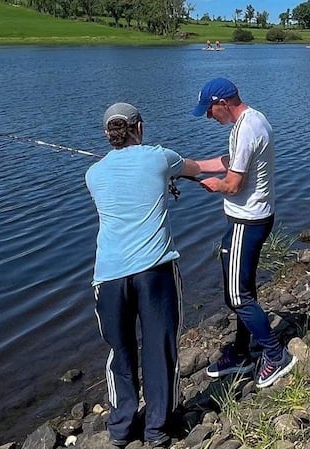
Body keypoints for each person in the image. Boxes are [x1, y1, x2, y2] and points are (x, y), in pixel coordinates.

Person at [85, 103, 201, 448]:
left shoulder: (93, 174)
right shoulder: (160, 158)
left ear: (108, 134)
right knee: (160, 347)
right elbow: (194, 167)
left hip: (108, 279)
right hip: (155, 272)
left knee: (119, 351)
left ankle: (121, 429)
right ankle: (157, 429)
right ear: (141, 126)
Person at [190, 78, 297, 389]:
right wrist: (188, 167)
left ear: (223, 102)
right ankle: (240, 353)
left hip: (247, 222)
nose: (209, 117)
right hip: (251, 219)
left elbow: (233, 184)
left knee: (237, 296)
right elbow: (228, 162)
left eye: (209, 110)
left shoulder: (248, 128)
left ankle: (276, 356)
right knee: (242, 291)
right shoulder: (249, 121)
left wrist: (214, 186)